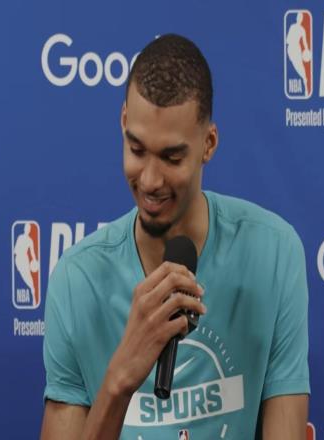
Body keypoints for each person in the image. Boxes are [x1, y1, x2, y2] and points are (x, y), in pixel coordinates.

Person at [40, 34, 310, 439]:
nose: (150, 180)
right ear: (123, 122)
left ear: (209, 144)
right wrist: (119, 380)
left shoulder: (274, 253)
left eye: (172, 157)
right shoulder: (76, 281)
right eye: (137, 149)